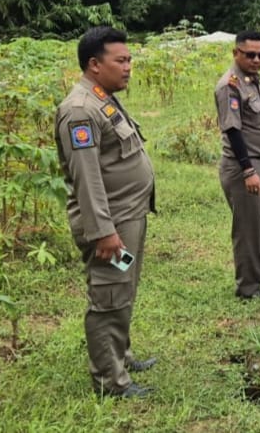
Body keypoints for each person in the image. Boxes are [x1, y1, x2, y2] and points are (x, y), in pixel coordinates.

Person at [55, 26, 157, 398]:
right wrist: (103, 232)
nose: (129, 67)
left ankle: (120, 355)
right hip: (110, 223)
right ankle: (109, 381)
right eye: (121, 60)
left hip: (127, 214)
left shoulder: (102, 97)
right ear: (95, 64)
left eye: (129, 59)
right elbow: (87, 179)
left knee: (123, 289)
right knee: (109, 295)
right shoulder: (80, 110)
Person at [215, 30, 260, 299]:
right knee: (248, 229)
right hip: (244, 168)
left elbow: (256, 124)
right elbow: (233, 131)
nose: (257, 59)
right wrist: (248, 169)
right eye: (250, 54)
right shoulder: (229, 86)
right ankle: (249, 287)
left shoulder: (253, 80)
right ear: (236, 53)